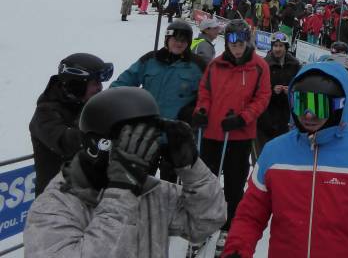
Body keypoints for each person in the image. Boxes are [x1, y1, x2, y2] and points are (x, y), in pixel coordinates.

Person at [220, 62, 348, 257]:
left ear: (338, 105)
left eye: (318, 105)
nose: (308, 114)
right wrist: (237, 249)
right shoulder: (274, 152)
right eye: (301, 103)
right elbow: (250, 215)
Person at [24, 87, 226, 258]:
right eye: (133, 142)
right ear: (98, 145)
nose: (146, 151)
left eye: (148, 140)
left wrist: (191, 167)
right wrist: (121, 193)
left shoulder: (152, 193)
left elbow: (206, 221)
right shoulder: (54, 206)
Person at [191, 19, 271, 254]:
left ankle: (228, 226)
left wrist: (244, 118)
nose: (236, 47)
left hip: (238, 134)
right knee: (207, 180)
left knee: (234, 184)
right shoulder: (216, 65)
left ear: (247, 42)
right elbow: (205, 91)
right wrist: (201, 111)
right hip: (212, 132)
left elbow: (262, 97)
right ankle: (204, 222)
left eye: (240, 42)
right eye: (231, 42)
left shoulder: (258, 66)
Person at [111, 19, 206, 182]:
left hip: (176, 137)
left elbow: (208, 95)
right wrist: (114, 102)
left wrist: (195, 111)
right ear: (167, 39)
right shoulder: (150, 60)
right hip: (147, 133)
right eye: (175, 39)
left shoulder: (197, 66)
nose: (179, 43)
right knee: (138, 180)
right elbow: (123, 83)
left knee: (170, 186)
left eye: (184, 40)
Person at [29, 53, 113, 194]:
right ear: (76, 86)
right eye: (95, 83)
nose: (100, 88)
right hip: (56, 198)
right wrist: (101, 130)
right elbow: (65, 142)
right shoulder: (45, 113)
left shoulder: (85, 104)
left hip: (87, 191)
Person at [256, 31, 300, 152]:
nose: (277, 49)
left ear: (286, 48)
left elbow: (300, 86)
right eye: (275, 46)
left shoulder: (294, 64)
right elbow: (257, 89)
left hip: (285, 118)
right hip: (266, 118)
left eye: (281, 46)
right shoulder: (264, 64)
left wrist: (291, 90)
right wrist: (272, 90)